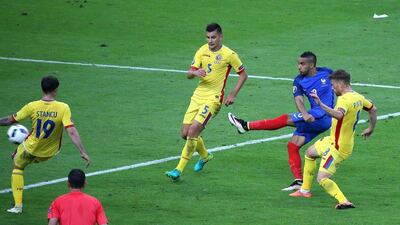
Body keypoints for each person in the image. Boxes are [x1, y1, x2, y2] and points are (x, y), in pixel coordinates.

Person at [228, 51, 334, 191]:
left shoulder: (327, 72)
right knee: (293, 145)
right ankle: (298, 181)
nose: (299, 67)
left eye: (302, 64)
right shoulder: (299, 81)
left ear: (312, 65)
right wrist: (304, 114)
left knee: (285, 119)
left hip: (322, 115)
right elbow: (298, 99)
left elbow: (342, 83)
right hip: (313, 117)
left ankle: (246, 126)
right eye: (298, 63)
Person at [165, 23, 248, 180]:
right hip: (197, 96)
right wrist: (195, 72)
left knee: (193, 132)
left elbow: (244, 75)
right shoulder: (202, 50)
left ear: (221, 37)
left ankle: (178, 169)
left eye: (213, 37)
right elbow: (188, 74)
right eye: (208, 37)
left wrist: (232, 94)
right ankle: (204, 156)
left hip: (213, 99)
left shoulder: (229, 54)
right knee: (185, 133)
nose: (210, 41)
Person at [0, 75, 91, 213]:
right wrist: (82, 152)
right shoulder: (63, 108)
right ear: (55, 90)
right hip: (49, 152)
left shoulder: (32, 106)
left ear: (42, 89)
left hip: (30, 149)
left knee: (17, 167)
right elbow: (71, 131)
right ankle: (17, 152)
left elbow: (10, 120)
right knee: (19, 153)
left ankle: (18, 206)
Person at [289, 69, 377, 209]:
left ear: (341, 83)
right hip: (333, 140)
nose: (332, 87)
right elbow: (373, 109)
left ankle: (344, 201)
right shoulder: (358, 97)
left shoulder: (344, 100)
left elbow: (339, 115)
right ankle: (304, 191)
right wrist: (371, 128)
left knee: (322, 178)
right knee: (309, 153)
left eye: (333, 84)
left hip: (338, 148)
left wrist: (321, 105)